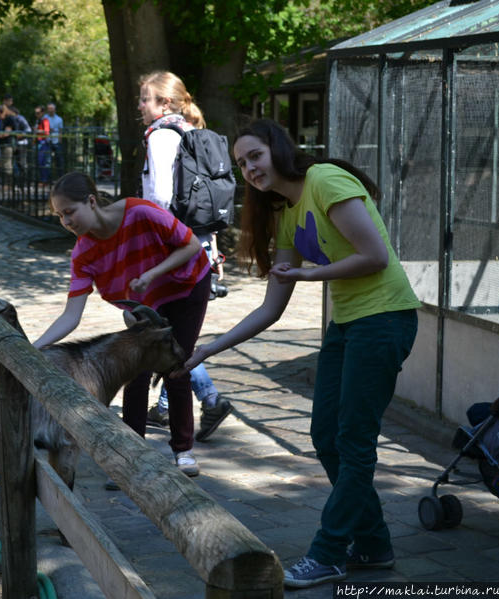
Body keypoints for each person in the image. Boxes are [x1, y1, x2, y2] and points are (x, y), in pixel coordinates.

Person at [179, 118, 420, 588]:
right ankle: (373, 544)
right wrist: (207, 348)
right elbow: (271, 308)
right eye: (241, 163)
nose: (249, 168)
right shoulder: (287, 211)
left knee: (352, 439)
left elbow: (376, 256)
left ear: (278, 148)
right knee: (325, 434)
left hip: (385, 318)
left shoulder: (325, 181)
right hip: (348, 324)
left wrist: (310, 277)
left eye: (255, 156)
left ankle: (329, 552)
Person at [33, 171, 212, 482]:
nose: (66, 221)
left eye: (69, 212)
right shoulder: (83, 254)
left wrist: (152, 274)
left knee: (175, 366)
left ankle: (183, 450)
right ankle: (131, 457)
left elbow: (192, 246)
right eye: (60, 215)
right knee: (135, 372)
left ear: (91, 201)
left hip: (186, 287)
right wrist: (33, 348)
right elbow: (71, 315)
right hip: (146, 306)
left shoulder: (139, 212)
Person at [137, 70, 230, 442]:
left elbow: (161, 199)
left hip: (171, 251)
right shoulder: (191, 131)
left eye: (145, 99)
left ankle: (207, 399)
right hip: (199, 246)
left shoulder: (161, 135)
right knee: (175, 332)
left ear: (165, 103)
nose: (140, 106)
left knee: (163, 335)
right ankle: (171, 406)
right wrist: (213, 249)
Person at [44, 102, 64, 176]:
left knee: (59, 161)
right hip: (47, 141)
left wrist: (60, 142)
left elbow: (60, 131)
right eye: (49, 108)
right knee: (47, 161)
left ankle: (60, 177)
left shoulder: (59, 119)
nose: (50, 110)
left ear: (54, 109)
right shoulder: (44, 118)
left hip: (56, 142)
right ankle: (46, 179)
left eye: (51, 108)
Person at [34, 105, 51, 183]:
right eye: (35, 113)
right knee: (39, 162)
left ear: (42, 113)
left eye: (38, 113)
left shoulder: (45, 120)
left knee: (43, 163)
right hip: (38, 143)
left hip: (44, 144)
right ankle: (42, 180)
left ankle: (45, 180)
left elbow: (46, 132)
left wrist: (37, 130)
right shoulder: (38, 120)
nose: (36, 114)